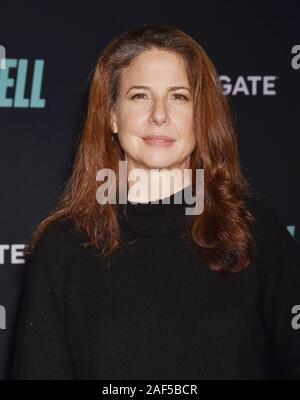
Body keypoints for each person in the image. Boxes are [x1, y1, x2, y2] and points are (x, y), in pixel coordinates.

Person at [10, 24, 300, 380]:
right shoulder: (63, 246)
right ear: (112, 116)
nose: (159, 115)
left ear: (201, 115)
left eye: (179, 96)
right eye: (139, 96)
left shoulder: (254, 233)